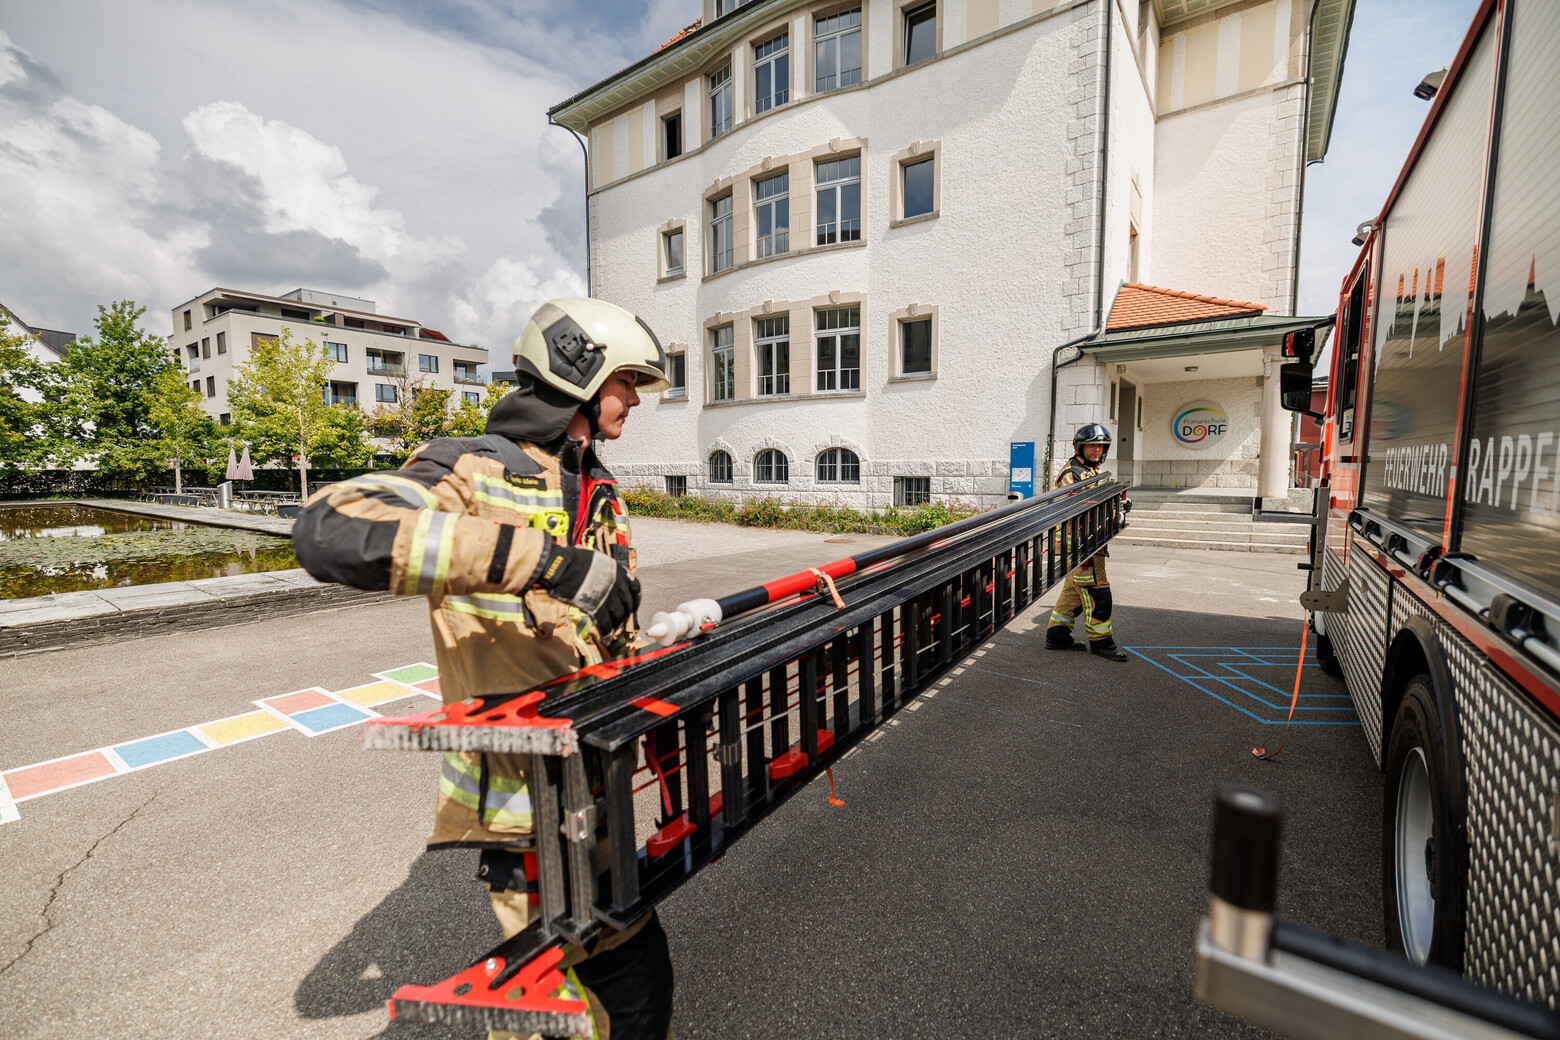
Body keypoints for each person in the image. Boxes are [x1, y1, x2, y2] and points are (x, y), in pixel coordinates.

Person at [292, 297, 675, 1040]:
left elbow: (607, 637)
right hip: (522, 810)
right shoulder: (468, 466)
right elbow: (335, 529)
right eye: (627, 380)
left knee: (637, 989)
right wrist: (546, 562)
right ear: (578, 371)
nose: (634, 398)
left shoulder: (600, 491)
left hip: (595, 790)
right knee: (551, 1016)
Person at [1045, 423, 1129, 662]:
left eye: (1101, 446)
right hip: (1082, 546)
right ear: (1080, 447)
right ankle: (1102, 642)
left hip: (1092, 542)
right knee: (1097, 592)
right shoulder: (1072, 473)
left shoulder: (1091, 470)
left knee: (1073, 592)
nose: (1097, 450)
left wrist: (1119, 506)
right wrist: (1111, 510)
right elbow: (1080, 509)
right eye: (1092, 445)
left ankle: (1057, 635)